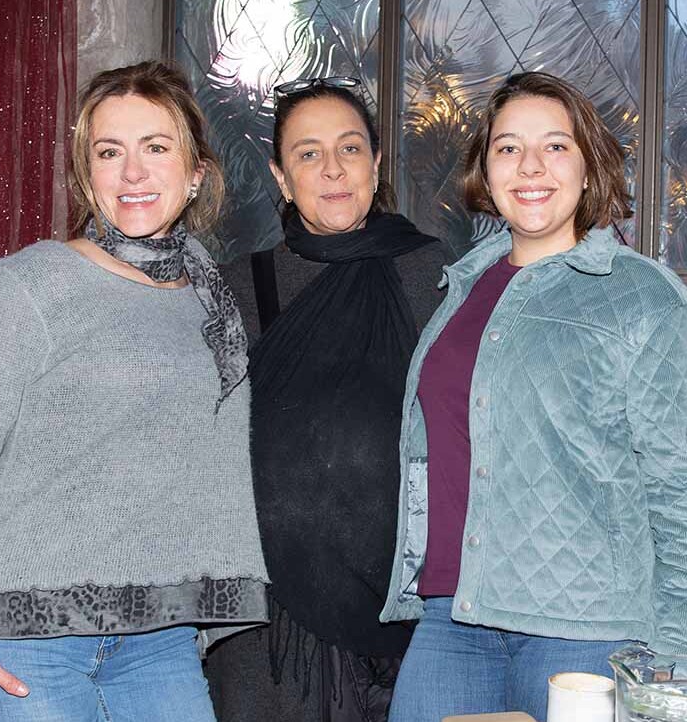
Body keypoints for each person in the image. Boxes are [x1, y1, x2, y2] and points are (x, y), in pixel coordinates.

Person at [0, 60, 269, 722]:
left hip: (160, 638)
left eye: (155, 148)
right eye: (110, 152)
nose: (132, 173)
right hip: (27, 640)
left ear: (195, 174)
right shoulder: (34, 284)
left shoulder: (209, 300)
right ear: (87, 175)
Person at [380, 71, 687, 722]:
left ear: (589, 165)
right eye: (509, 147)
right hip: (453, 616)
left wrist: (683, 675)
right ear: (485, 170)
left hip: (586, 632)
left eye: (556, 146)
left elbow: (681, 503)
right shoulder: (462, 287)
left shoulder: (644, 298)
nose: (531, 165)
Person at [205, 77, 444, 722]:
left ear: (376, 164)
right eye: (308, 154)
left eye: (350, 148)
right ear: (282, 178)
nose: (333, 169)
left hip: (412, 618)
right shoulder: (234, 287)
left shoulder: (436, 277)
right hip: (273, 630)